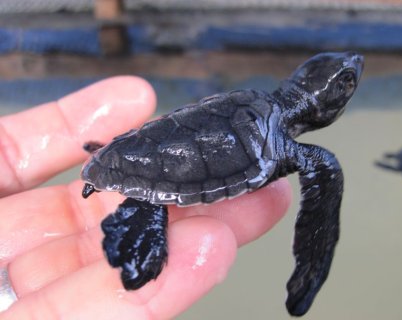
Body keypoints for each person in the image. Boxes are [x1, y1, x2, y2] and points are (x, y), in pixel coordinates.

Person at [0, 77, 291, 319]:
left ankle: (112, 164)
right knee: (147, 251)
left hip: (130, 151)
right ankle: (135, 205)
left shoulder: (254, 100)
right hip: (153, 171)